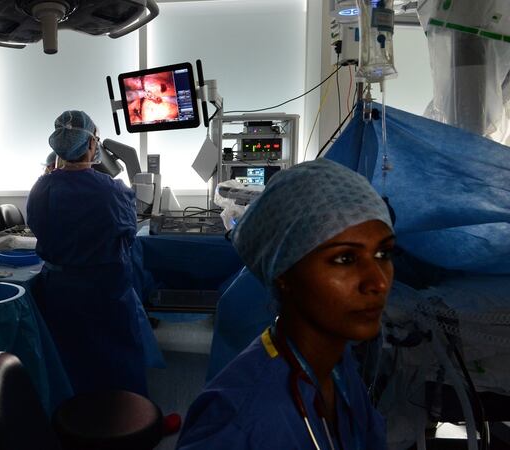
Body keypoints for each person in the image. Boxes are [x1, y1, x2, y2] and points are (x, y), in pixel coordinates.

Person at [177, 158, 395, 449]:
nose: (378, 282)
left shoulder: (337, 369)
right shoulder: (235, 426)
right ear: (284, 274)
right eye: (345, 259)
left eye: (382, 254)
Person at [26, 110, 160, 396]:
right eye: (96, 140)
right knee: (118, 359)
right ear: (90, 145)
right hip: (106, 293)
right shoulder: (113, 191)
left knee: (71, 358)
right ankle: (135, 419)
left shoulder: (40, 189)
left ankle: (75, 421)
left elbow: (39, 229)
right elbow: (128, 235)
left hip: (60, 292)